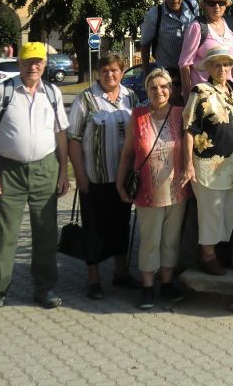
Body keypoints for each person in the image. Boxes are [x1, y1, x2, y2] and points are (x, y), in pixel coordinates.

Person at [0, 42, 70, 316]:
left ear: (45, 64)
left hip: (45, 169)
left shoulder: (52, 93)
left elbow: (61, 134)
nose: (33, 66)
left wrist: (64, 171)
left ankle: (45, 288)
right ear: (19, 63)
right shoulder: (2, 92)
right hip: (9, 172)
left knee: (46, 233)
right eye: (28, 61)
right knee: (4, 234)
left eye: (38, 61)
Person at [67, 53, 141, 300]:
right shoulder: (86, 99)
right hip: (95, 178)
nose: (110, 74)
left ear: (122, 72)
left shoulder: (131, 97)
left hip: (123, 179)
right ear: (99, 72)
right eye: (105, 70)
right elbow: (74, 139)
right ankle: (94, 279)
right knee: (94, 229)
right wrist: (80, 175)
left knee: (121, 225)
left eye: (115, 70)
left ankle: (121, 273)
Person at [115, 68, 188, 309]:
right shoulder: (138, 116)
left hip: (177, 190)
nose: (159, 91)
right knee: (150, 240)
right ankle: (147, 287)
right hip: (147, 192)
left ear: (171, 89)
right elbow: (127, 152)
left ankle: (166, 283)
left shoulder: (180, 114)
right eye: (153, 87)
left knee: (171, 240)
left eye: (164, 86)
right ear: (146, 91)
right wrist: (120, 181)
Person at [180, 46, 233, 275]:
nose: (222, 68)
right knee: (210, 211)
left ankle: (220, 252)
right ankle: (207, 255)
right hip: (208, 164)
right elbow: (189, 129)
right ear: (208, 67)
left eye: (226, 64)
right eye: (217, 64)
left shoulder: (230, 90)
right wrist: (188, 164)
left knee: (227, 209)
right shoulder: (200, 91)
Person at [139, 0, 199, 94]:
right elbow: (145, 44)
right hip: (169, 77)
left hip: (192, 73)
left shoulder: (193, 6)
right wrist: (146, 73)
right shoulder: (154, 15)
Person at [178, 0, 233, 95]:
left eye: (221, 2)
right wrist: (187, 97)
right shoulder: (197, 27)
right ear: (205, 5)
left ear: (226, 5)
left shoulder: (231, 24)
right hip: (204, 93)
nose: (217, 6)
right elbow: (184, 64)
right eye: (212, 3)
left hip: (228, 91)